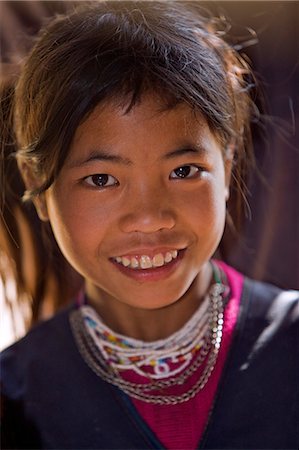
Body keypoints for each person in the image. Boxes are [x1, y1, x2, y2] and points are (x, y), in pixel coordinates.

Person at [0, 1, 298, 449]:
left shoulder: (290, 343)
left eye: (183, 171)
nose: (150, 217)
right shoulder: (15, 397)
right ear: (39, 185)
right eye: (101, 180)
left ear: (228, 161)